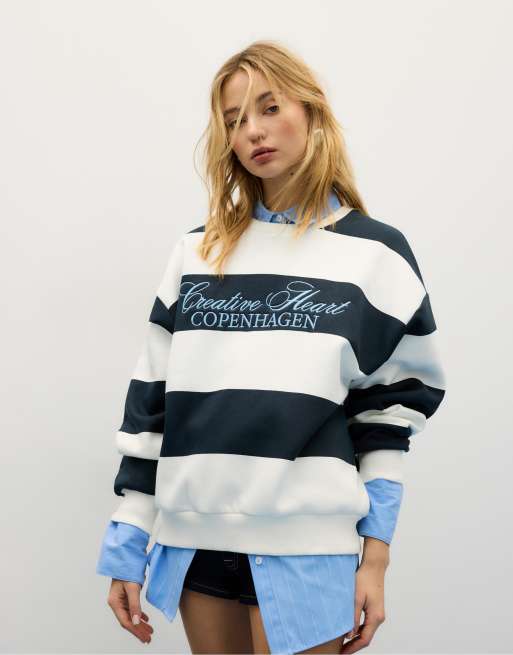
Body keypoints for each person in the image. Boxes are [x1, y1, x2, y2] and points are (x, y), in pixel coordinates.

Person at [96, 40, 446, 654]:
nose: (252, 131)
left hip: (309, 548)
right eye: (234, 121)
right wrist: (127, 540)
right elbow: (152, 403)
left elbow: (388, 419)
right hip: (194, 543)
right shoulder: (197, 253)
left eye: (269, 107)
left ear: (311, 111)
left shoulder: (376, 255)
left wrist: (376, 559)